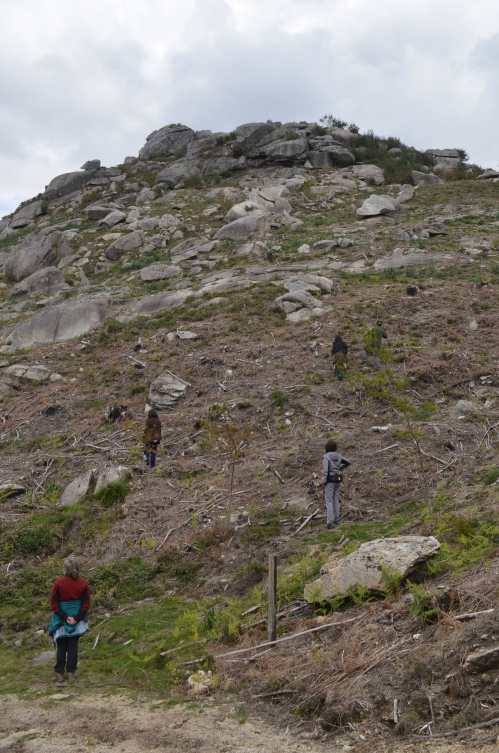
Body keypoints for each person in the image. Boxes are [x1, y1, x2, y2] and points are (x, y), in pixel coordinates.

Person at [48, 557, 90, 684]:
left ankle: (59, 673)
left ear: (65, 569)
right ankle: (71, 672)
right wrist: (76, 618)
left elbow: (53, 602)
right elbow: (86, 604)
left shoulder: (59, 583)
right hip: (76, 618)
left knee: (61, 645)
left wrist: (64, 616)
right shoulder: (83, 583)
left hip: (61, 618)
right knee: (73, 646)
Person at [323, 439, 351, 529]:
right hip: (338, 478)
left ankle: (330, 522)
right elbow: (348, 462)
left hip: (329, 479)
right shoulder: (338, 455)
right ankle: (337, 520)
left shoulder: (326, 457)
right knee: (335, 499)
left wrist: (324, 481)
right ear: (335, 448)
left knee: (329, 500)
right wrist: (340, 468)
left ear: (326, 448)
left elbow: (326, 470)